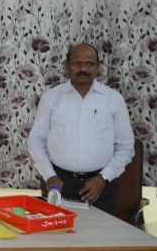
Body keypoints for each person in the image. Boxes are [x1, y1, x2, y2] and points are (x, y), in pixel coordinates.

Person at [28, 43, 134, 214]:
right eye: (77, 63)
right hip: (58, 184)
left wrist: (103, 178)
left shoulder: (113, 99)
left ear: (98, 67)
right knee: (58, 231)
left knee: (101, 231)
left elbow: (126, 146)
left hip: (100, 187)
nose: (83, 69)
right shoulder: (51, 98)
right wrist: (49, 175)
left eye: (90, 64)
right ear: (66, 65)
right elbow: (36, 140)